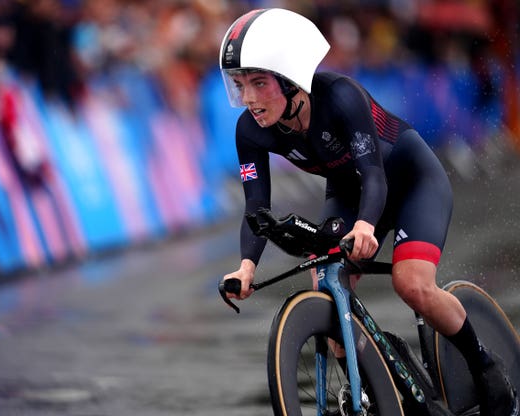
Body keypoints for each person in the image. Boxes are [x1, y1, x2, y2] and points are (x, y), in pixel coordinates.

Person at [219, 8, 518, 416]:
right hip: (348, 192)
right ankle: (371, 384)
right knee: (326, 286)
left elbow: (374, 175)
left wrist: (364, 225)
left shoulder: (341, 96)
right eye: (240, 85)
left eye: (259, 83)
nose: (249, 98)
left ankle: (483, 363)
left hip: (410, 182)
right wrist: (246, 269)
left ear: (291, 82)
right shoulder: (249, 130)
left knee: (410, 284)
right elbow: (257, 206)